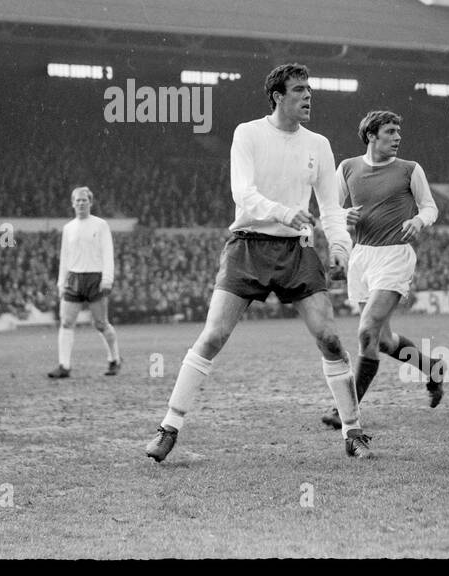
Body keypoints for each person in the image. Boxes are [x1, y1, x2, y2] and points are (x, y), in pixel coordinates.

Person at [145, 62, 371, 462]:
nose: (308, 97)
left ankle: (353, 432)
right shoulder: (247, 134)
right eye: (299, 90)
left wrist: (340, 246)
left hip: (297, 251)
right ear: (277, 96)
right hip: (247, 246)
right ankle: (169, 426)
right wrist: (285, 213)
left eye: (309, 90)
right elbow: (243, 193)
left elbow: (331, 206)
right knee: (213, 336)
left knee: (331, 338)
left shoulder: (318, 144)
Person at [320, 109, 442, 430]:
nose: (397, 137)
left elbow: (430, 206)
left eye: (398, 131)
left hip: (394, 256)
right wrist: (344, 216)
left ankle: (344, 410)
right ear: (371, 135)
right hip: (361, 258)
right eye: (390, 132)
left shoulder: (410, 170)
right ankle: (432, 369)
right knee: (383, 341)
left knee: (366, 332)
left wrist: (418, 219)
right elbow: (330, 209)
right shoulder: (347, 168)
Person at [48, 186, 121, 378]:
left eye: (84, 200)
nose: (81, 203)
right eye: (77, 200)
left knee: (100, 323)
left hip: (95, 278)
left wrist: (107, 279)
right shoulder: (68, 228)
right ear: (72, 203)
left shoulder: (100, 225)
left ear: (90, 202)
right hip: (74, 278)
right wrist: (61, 282)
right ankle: (64, 366)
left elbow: (108, 253)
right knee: (66, 321)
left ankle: (114, 359)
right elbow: (64, 256)